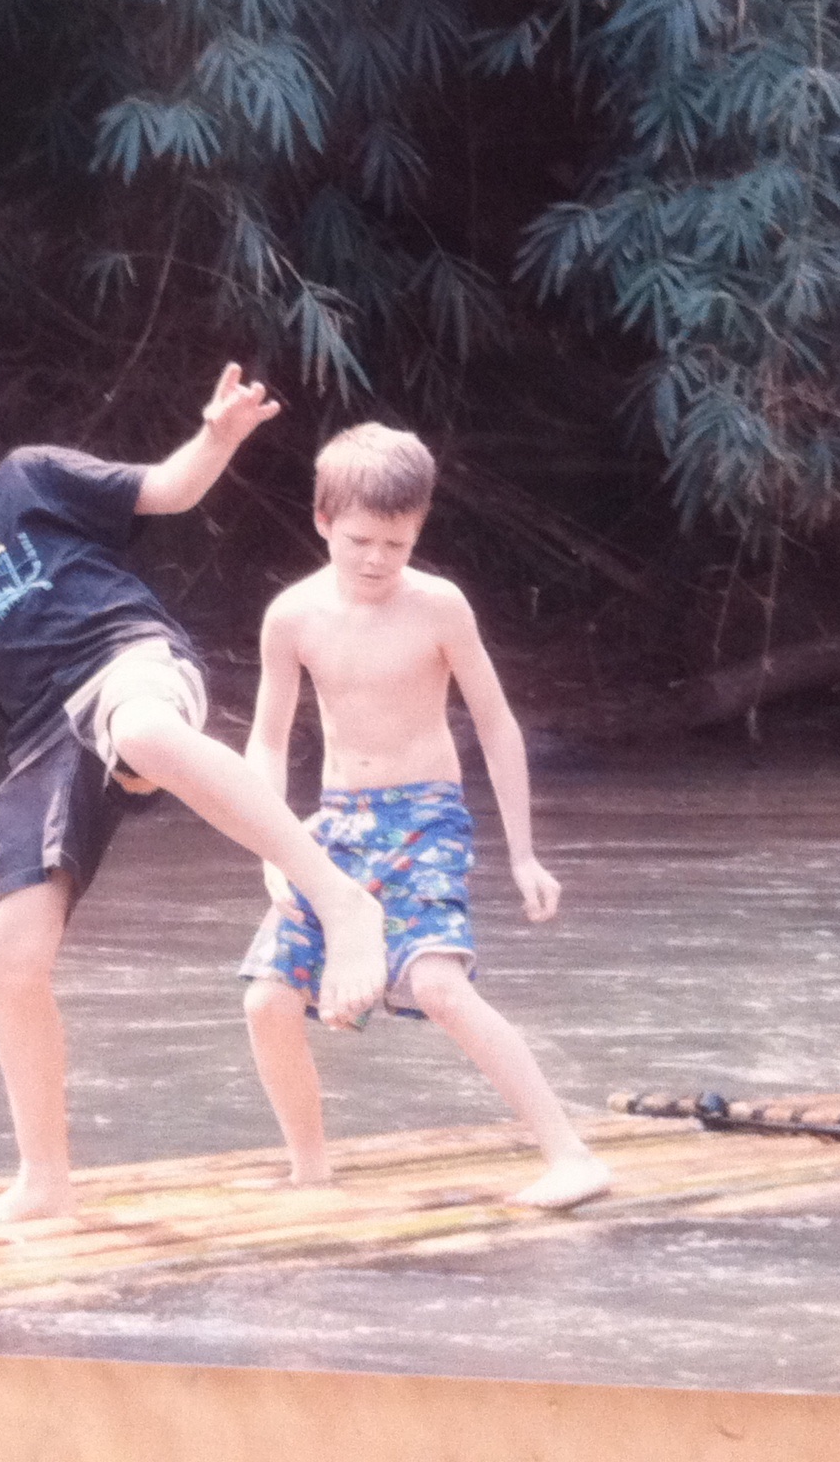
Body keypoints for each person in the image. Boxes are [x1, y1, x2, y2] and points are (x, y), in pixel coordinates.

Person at [0, 343, 390, 1224]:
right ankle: (45, 1179)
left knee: (140, 731)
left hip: (127, 659)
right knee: (7, 960)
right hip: (39, 747)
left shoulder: (29, 478)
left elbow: (165, 489)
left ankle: (340, 899)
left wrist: (217, 438)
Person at [236, 424, 611, 1209]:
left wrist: (523, 854)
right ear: (323, 521)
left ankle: (570, 1154)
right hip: (334, 823)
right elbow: (266, 741)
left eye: (397, 544)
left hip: (425, 817)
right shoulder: (291, 615)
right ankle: (310, 1172)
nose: (377, 560)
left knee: (438, 985)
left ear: (419, 532)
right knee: (267, 999)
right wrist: (272, 846)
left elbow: (497, 726)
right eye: (360, 541)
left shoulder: (439, 607)